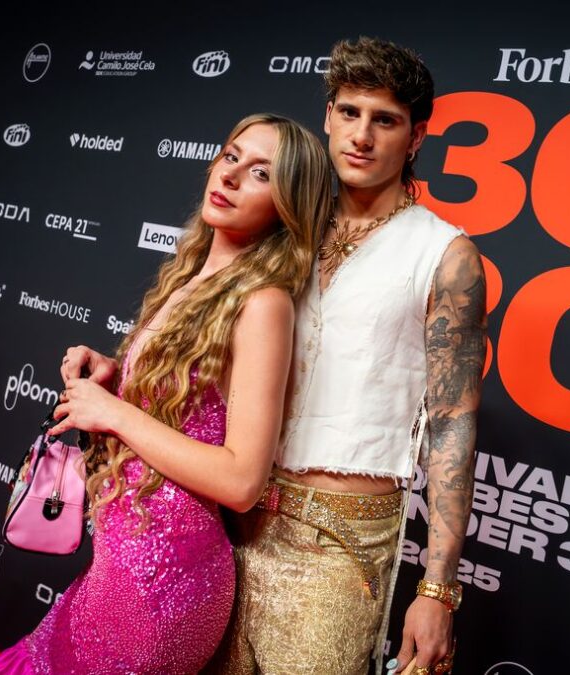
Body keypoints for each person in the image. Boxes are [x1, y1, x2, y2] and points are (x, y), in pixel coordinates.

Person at [0, 113, 333, 674]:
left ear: (287, 205)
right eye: (231, 156)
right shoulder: (192, 277)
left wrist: (113, 412)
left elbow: (242, 481)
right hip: (119, 561)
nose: (231, 175)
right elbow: (188, 410)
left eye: (261, 173)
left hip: (165, 582)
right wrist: (115, 375)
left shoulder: (264, 304)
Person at [207, 37, 486, 675]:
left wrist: (438, 588)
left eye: (384, 120)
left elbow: (453, 424)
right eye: (349, 113)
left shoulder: (445, 255)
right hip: (229, 520)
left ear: (415, 138)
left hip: (341, 544)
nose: (361, 136)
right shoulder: (284, 227)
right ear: (328, 117)